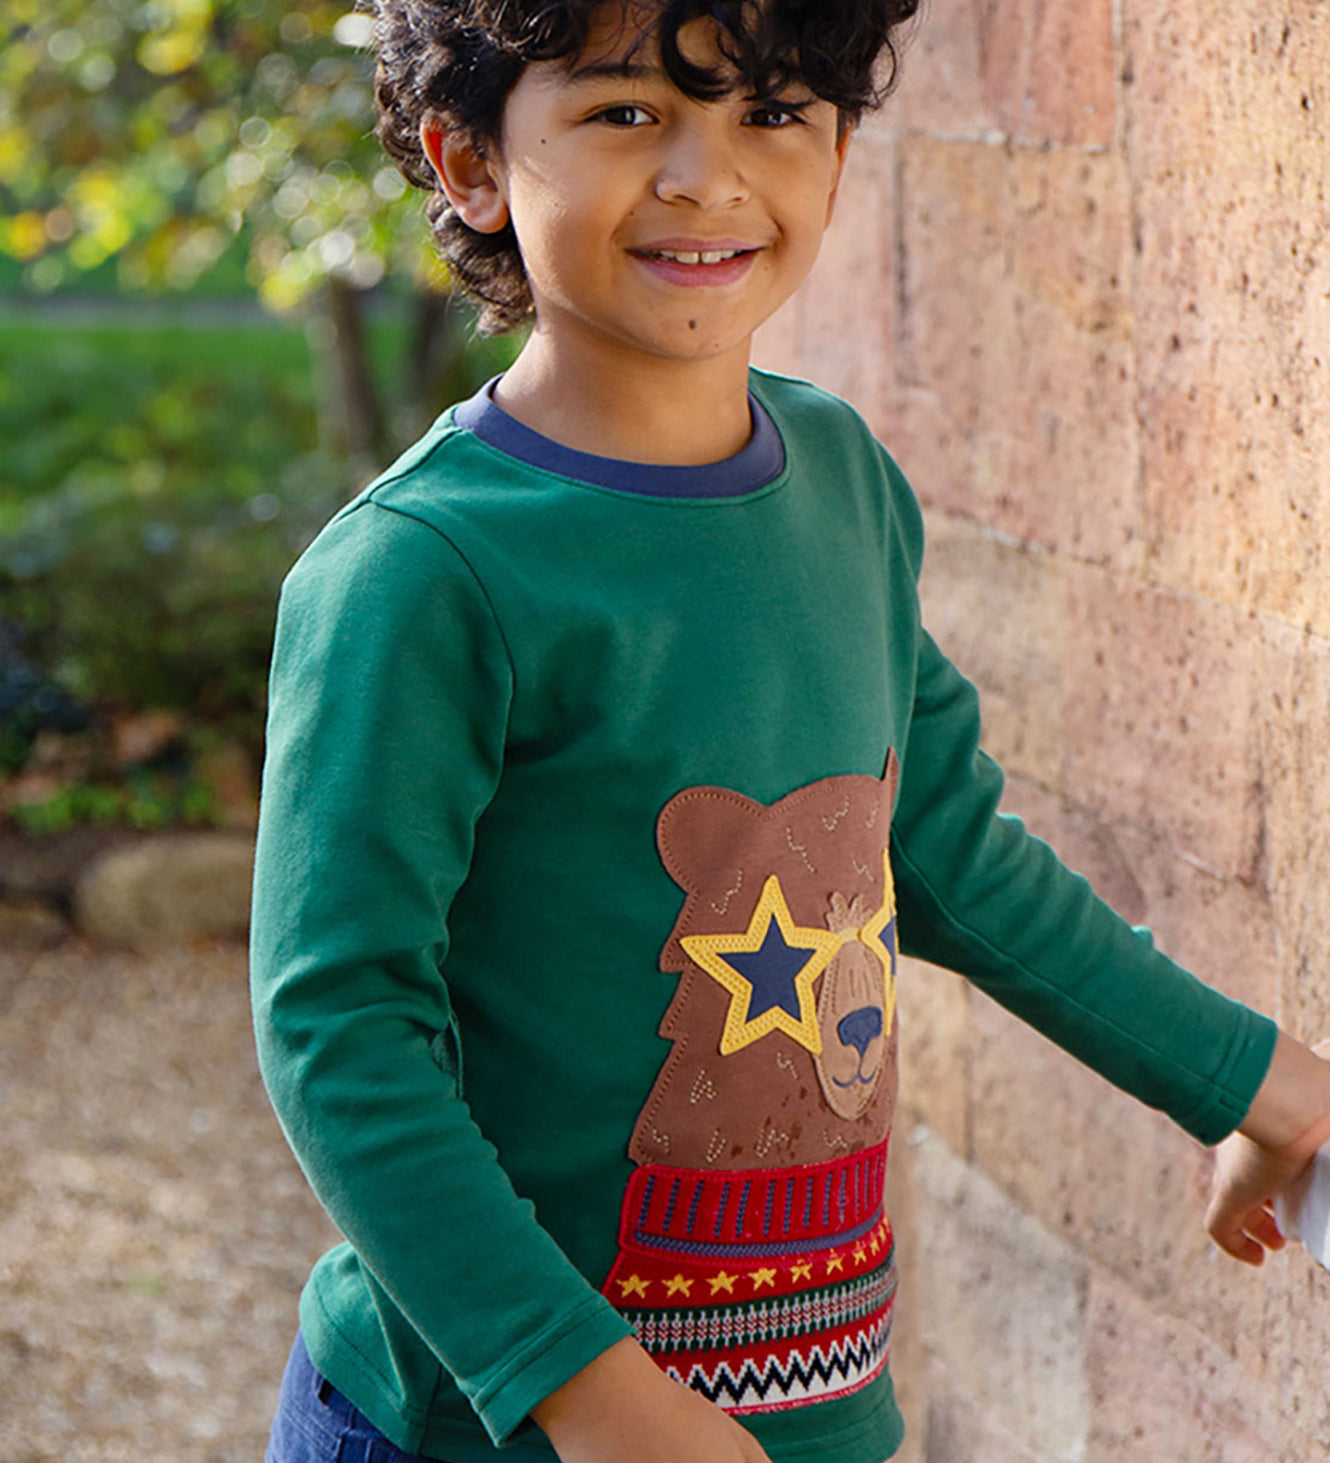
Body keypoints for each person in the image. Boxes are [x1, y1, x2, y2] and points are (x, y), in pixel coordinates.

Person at [249, 2, 1330, 1461]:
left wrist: (1256, 1087)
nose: (706, 178)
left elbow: (942, 857)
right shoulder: (418, 576)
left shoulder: (838, 477)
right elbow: (341, 1027)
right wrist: (592, 1393)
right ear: (470, 162)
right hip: (492, 1427)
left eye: (771, 112)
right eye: (627, 113)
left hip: (811, 1412)